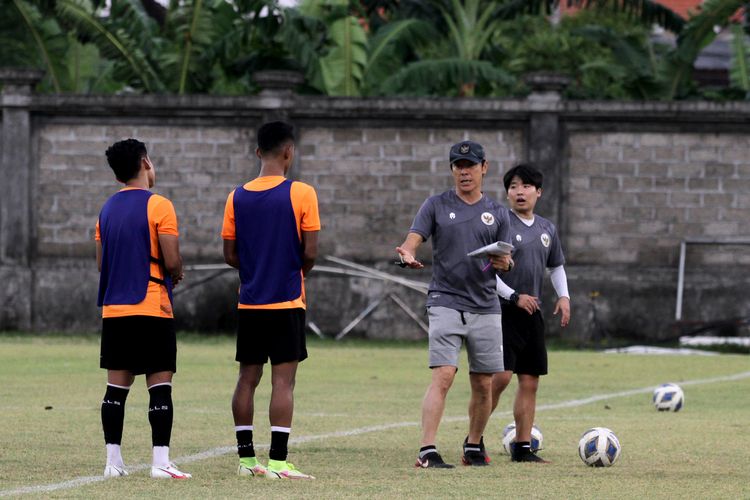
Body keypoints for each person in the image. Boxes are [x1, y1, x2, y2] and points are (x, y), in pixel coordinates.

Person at [396, 140, 512, 468]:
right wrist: (407, 252)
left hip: (486, 305)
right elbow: (413, 239)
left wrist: (506, 264)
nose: (464, 171)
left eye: (471, 165)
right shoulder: (435, 205)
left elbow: (505, 260)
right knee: (444, 375)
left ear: (484, 167)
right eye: (458, 166)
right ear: (451, 170)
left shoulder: (498, 213)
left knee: (484, 381)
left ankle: (473, 445)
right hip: (445, 300)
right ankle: (427, 450)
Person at [222, 121, 320, 480]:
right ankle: (278, 462)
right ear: (289, 151)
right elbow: (310, 251)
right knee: (284, 383)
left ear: (257, 151)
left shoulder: (236, 196)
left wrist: (255, 267)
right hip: (286, 301)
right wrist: (291, 269)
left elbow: (229, 253)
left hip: (249, 302)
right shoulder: (302, 193)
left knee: (247, 379)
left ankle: (247, 460)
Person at [96, 139, 190, 479]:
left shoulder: (106, 210)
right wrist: (176, 273)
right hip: (151, 305)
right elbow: (172, 259)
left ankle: (113, 463)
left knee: (116, 390)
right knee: (159, 385)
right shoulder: (160, 205)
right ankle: (161, 462)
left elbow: (100, 262)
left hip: (114, 309)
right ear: (145, 162)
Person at [491, 163, 570, 463]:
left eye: (525, 186)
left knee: (530, 380)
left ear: (539, 192)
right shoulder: (500, 223)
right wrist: (513, 296)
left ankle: (522, 449)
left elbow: (556, 265)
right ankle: (475, 441)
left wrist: (564, 296)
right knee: (500, 378)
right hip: (501, 311)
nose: (519, 192)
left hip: (532, 312)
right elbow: (488, 270)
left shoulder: (547, 228)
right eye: (513, 186)